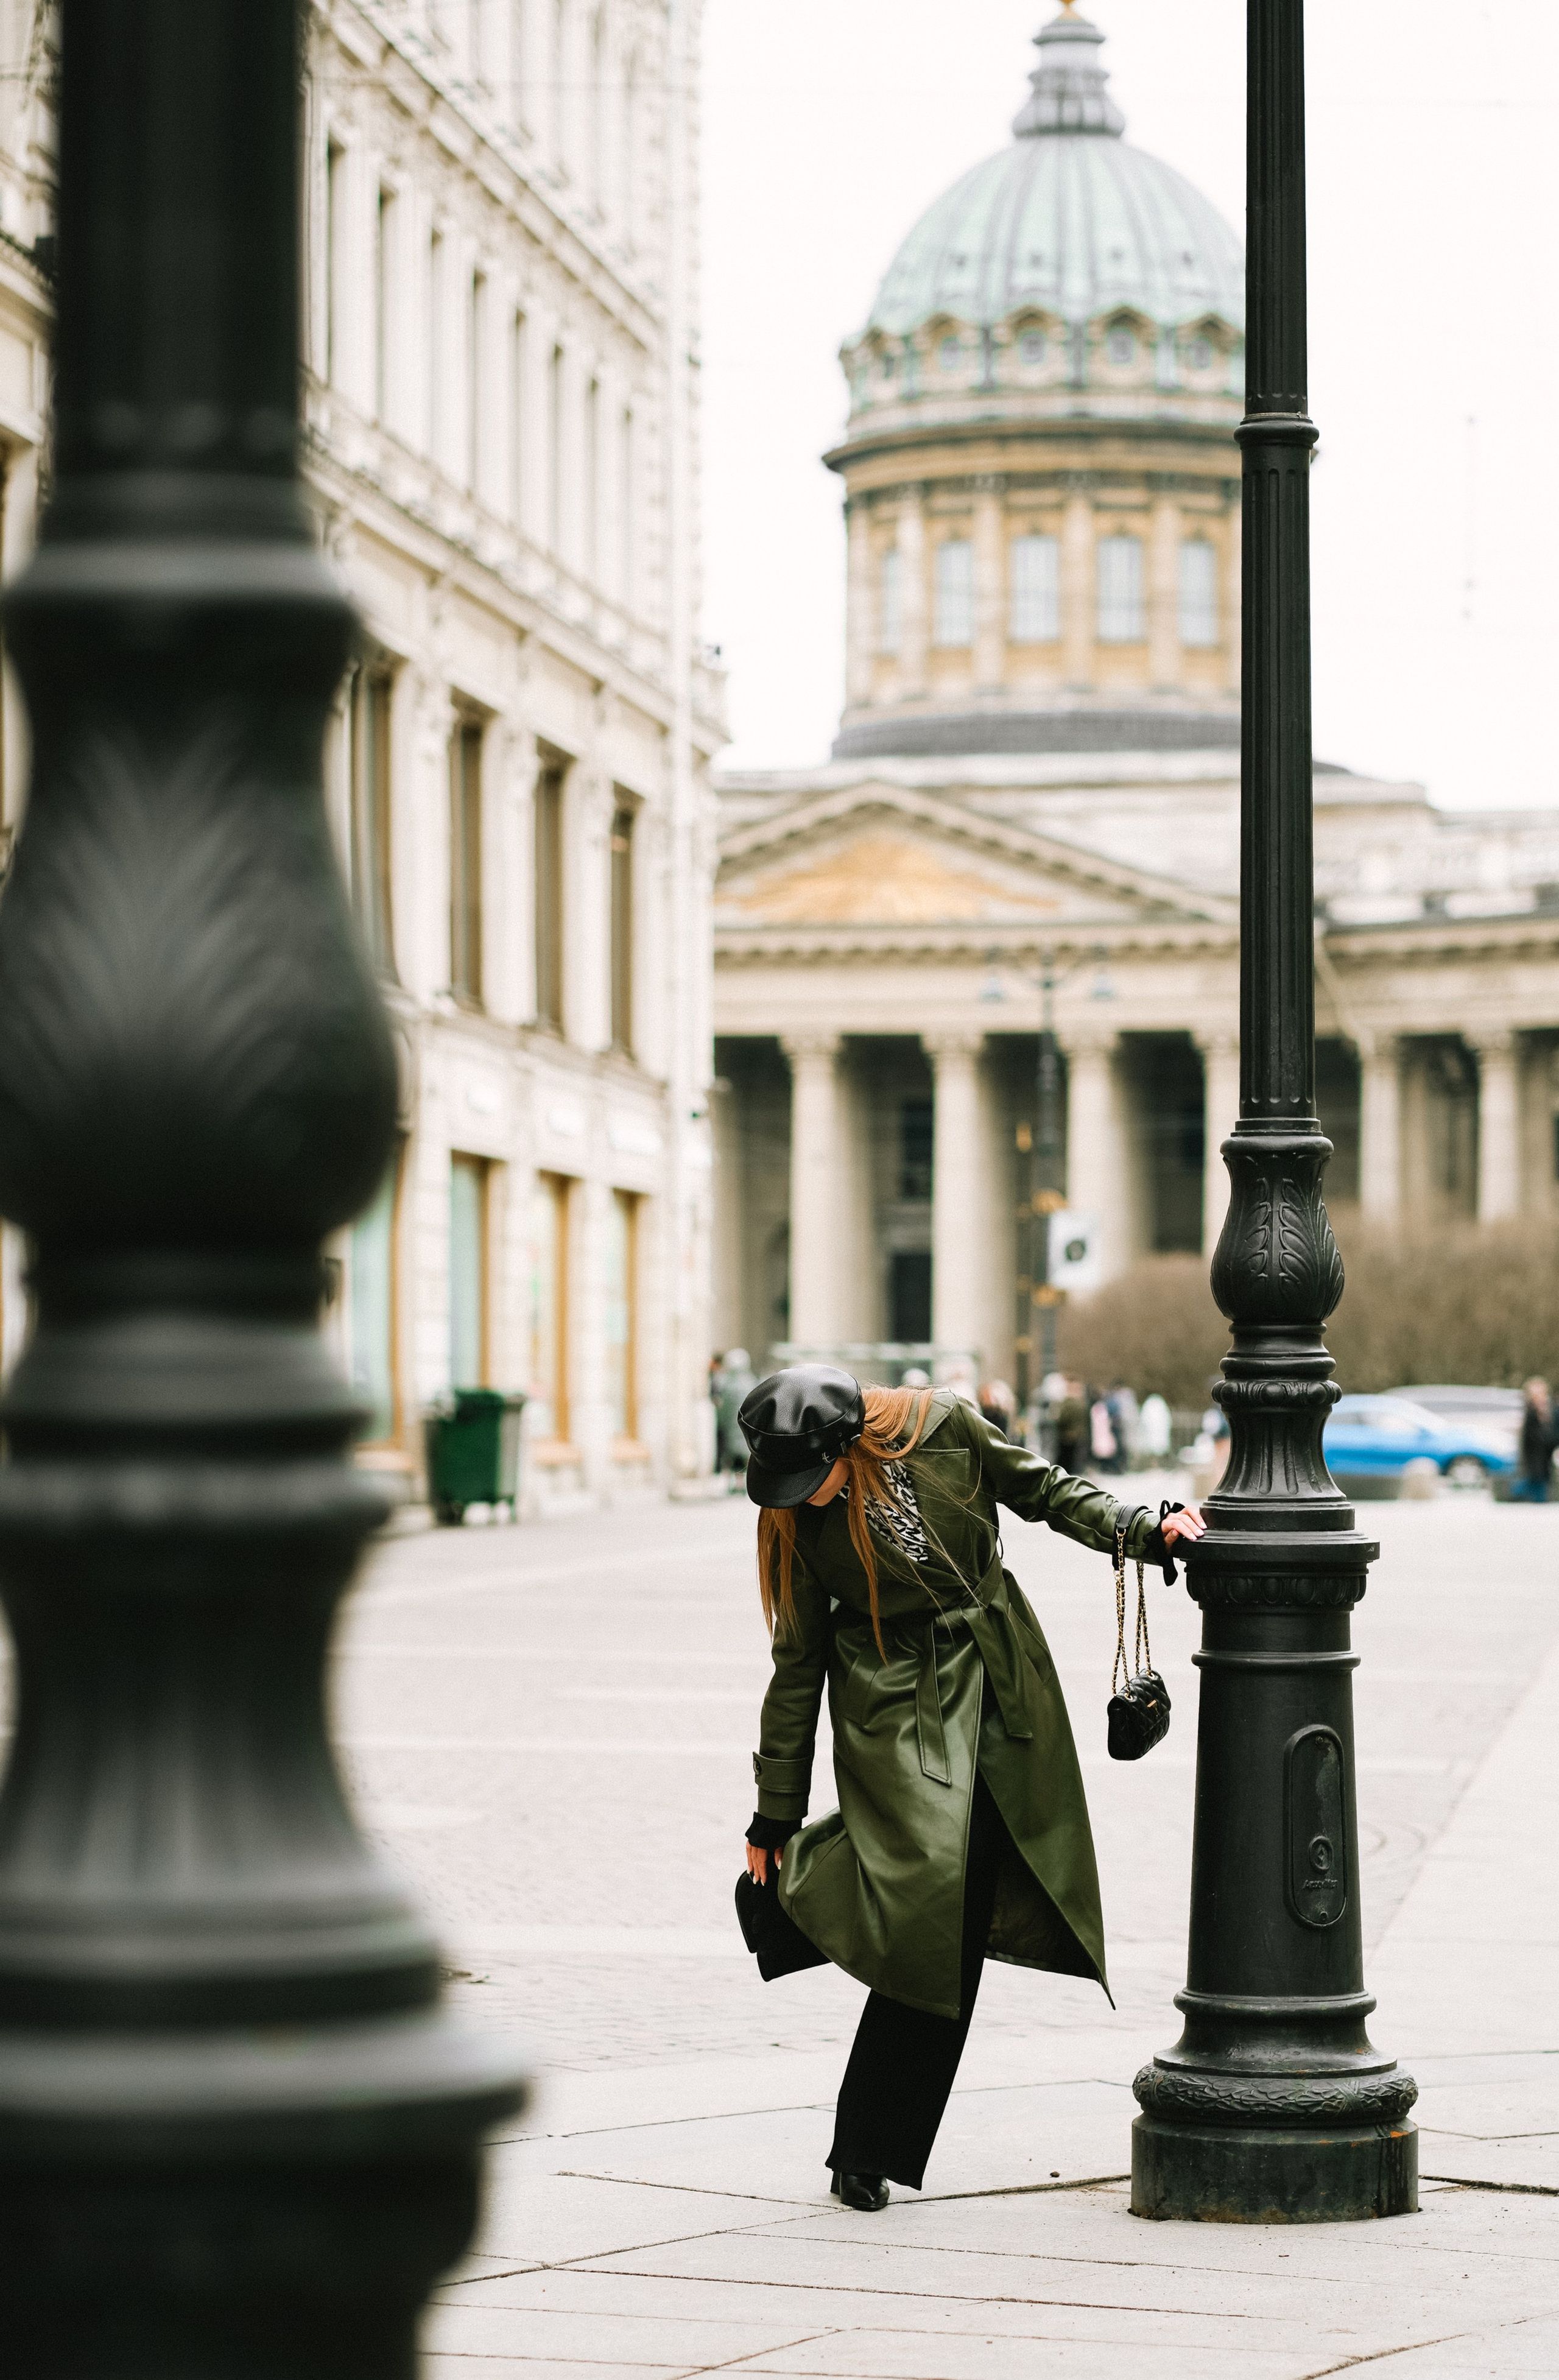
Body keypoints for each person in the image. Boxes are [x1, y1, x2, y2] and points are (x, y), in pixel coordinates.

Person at [737, 1364, 1204, 2211]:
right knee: (931, 1911)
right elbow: (795, 1666)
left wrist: (1144, 1529)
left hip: (998, 1674)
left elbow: (1048, 1492)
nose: (802, 1499)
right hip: (893, 1707)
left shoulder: (945, 1427)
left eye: (813, 1479)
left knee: (959, 1894)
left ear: (851, 1444)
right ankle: (868, 2143)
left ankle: (820, 1947)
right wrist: (775, 1814)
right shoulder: (794, 1525)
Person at [711, 1348, 758, 1476]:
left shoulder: (727, 1384)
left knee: (732, 1457)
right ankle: (744, 1481)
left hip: (732, 1430)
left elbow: (723, 1412)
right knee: (745, 1456)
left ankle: (734, 1480)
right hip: (746, 1429)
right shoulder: (751, 1382)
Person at [1513, 1378, 1555, 1503]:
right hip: (1533, 1453)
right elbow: (1530, 1434)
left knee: (1538, 1481)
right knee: (1534, 1480)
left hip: (1543, 1454)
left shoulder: (1547, 1409)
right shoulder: (1531, 1410)